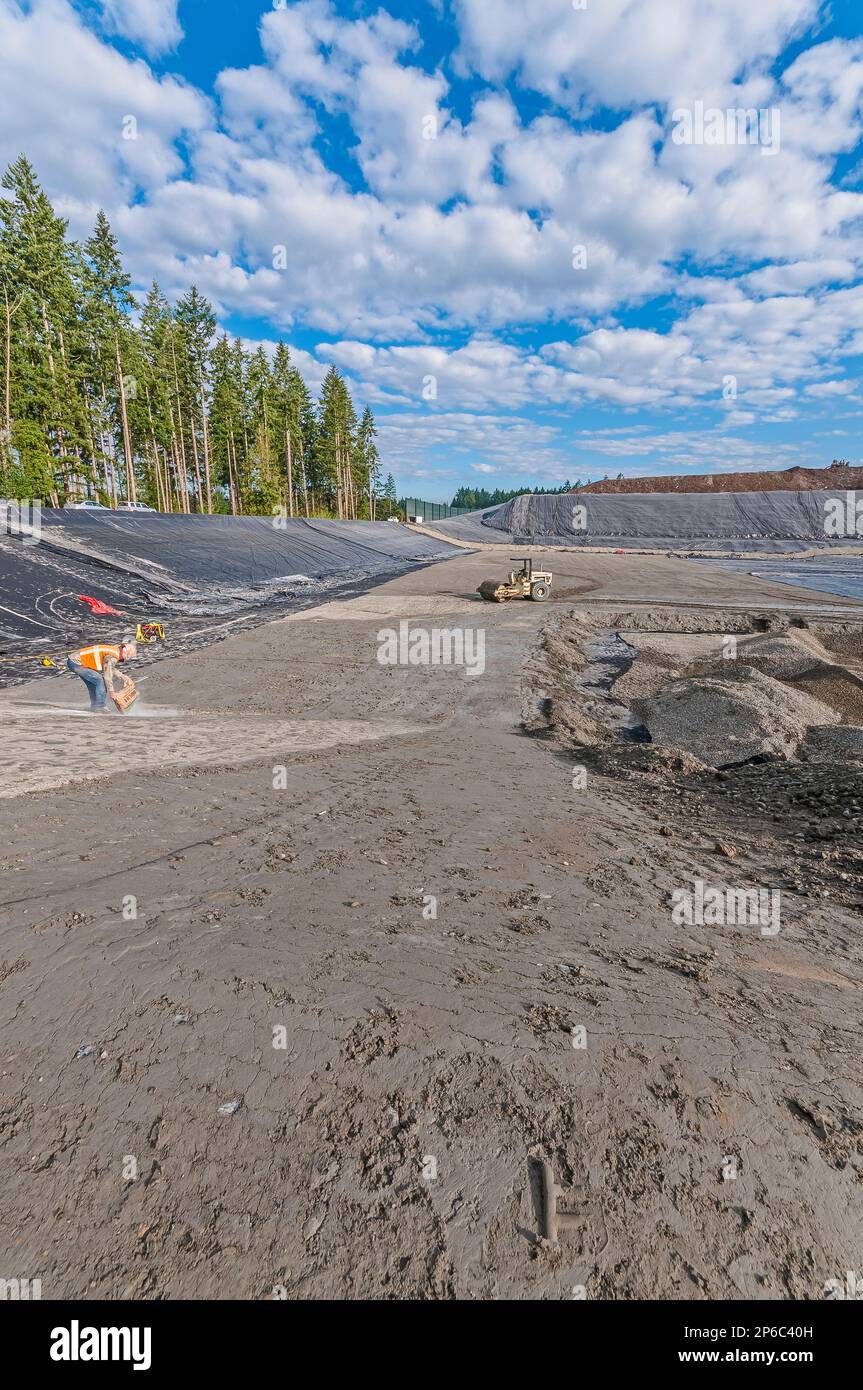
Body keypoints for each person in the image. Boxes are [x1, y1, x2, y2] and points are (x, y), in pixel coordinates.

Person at [67, 637, 137, 712]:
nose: (121, 661)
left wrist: (123, 677)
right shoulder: (113, 656)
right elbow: (107, 675)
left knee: (93, 684)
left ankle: (95, 705)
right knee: (99, 680)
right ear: (125, 655)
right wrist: (111, 691)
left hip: (76, 661)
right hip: (77, 663)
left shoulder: (115, 650)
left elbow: (110, 668)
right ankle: (100, 706)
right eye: (123, 660)